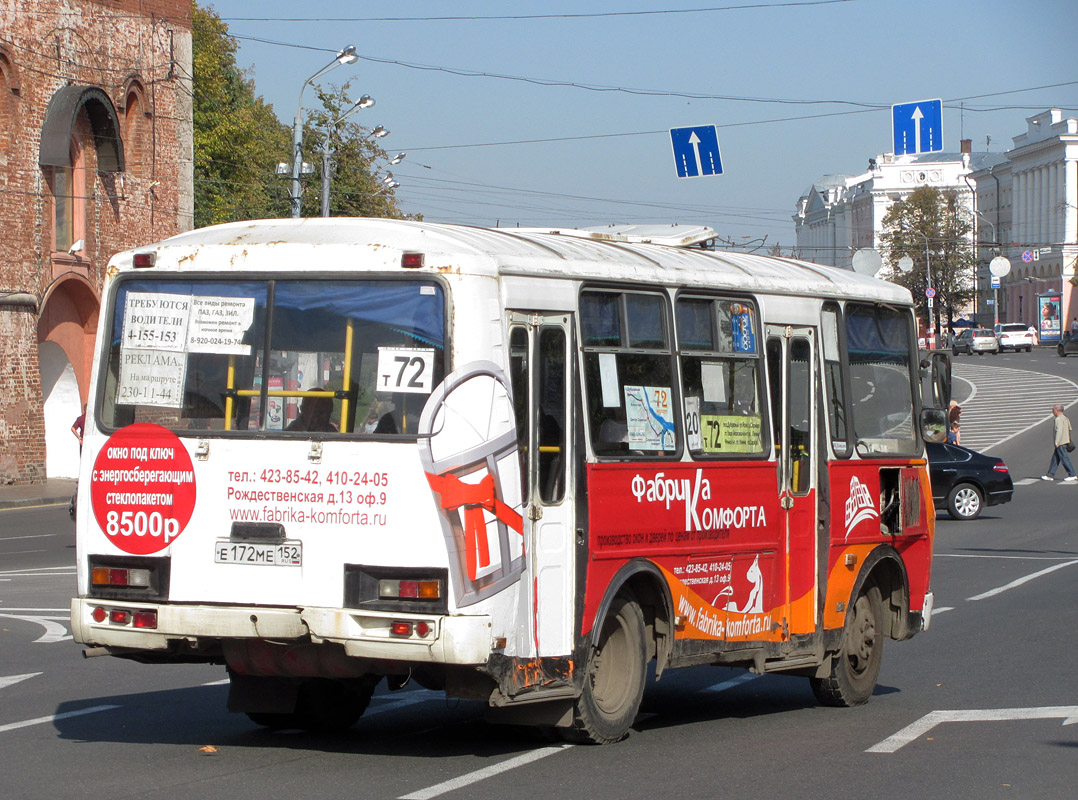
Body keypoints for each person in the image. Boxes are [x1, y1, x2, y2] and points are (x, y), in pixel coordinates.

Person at [1040, 404, 1076, 482]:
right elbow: (1070, 428)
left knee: (1064, 458)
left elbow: (1059, 431)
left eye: (1053, 410)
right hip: (1065, 440)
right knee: (1056, 458)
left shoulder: (1058, 419)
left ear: (1056, 410)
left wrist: (1057, 442)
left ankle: (1072, 474)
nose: (1052, 411)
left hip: (1061, 442)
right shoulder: (1065, 418)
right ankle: (1050, 474)